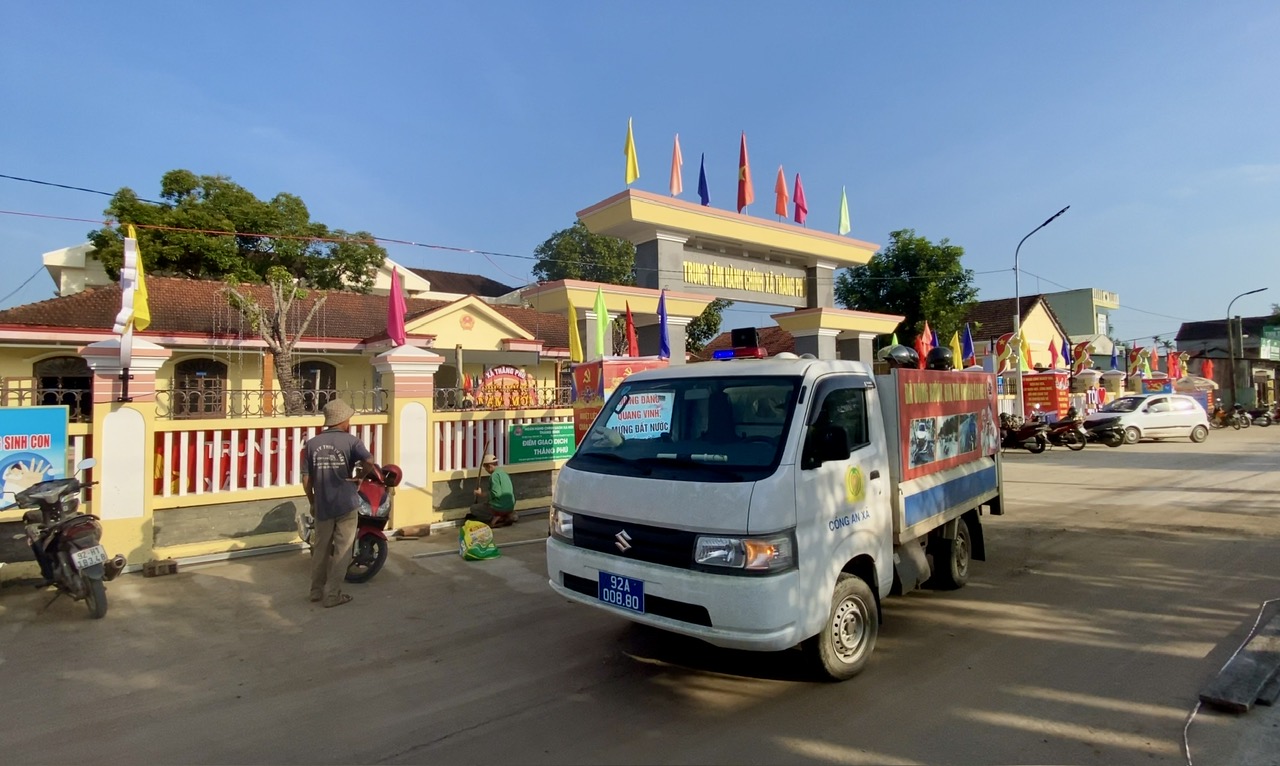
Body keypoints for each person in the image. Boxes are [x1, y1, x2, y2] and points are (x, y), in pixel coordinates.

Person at [301, 399, 372, 608]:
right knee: (343, 549)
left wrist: (313, 501)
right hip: (346, 503)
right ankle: (333, 595)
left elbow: (306, 480)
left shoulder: (312, 444)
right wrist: (360, 476)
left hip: (323, 504)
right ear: (342, 419)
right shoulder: (352, 442)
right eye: (348, 418)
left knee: (320, 549)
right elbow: (369, 461)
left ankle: (315, 592)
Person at [470, 454, 517, 528]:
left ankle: (498, 517)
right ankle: (507, 515)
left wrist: (481, 494)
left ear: (489, 466)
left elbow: (496, 493)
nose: (486, 470)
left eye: (485, 468)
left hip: (499, 506)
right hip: (510, 505)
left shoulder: (494, 476)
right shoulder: (504, 473)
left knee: (474, 508)